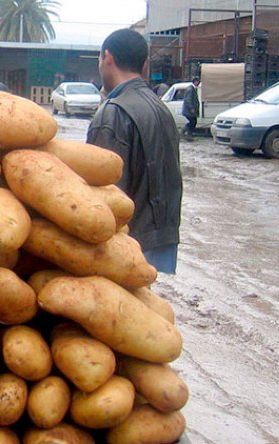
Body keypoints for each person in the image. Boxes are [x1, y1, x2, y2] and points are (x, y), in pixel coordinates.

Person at [87, 29, 182, 274]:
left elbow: (102, 188)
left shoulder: (114, 112)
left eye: (99, 60)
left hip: (127, 241)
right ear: (145, 64)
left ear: (107, 58)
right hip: (160, 236)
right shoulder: (161, 108)